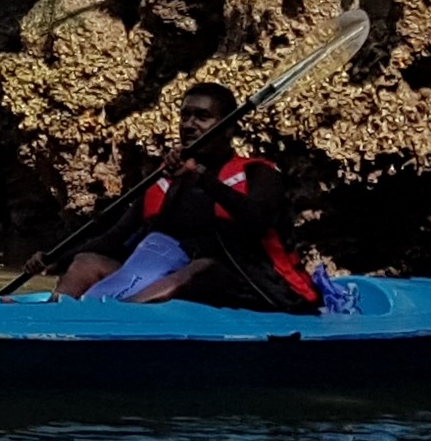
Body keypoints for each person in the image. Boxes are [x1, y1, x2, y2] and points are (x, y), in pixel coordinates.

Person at [49, 80, 320, 313]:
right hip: (167, 271)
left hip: (248, 283)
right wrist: (54, 257)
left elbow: (257, 219)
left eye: (202, 117)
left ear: (228, 128)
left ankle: (122, 315)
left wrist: (202, 178)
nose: (189, 125)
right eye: (185, 116)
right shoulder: (166, 177)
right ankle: (53, 312)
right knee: (86, 262)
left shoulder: (260, 175)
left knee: (200, 268)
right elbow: (116, 235)